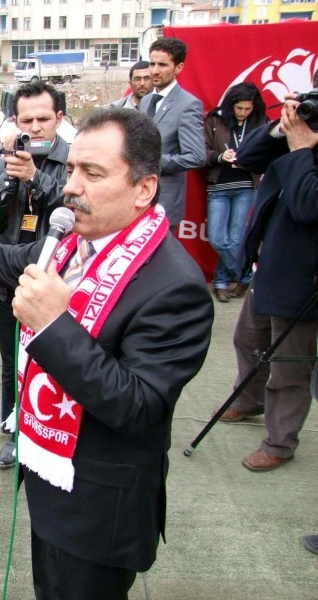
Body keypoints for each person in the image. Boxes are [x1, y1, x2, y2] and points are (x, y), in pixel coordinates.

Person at [0, 107, 214, 598]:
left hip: (99, 514)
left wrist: (54, 325)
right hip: (49, 478)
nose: (71, 186)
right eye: (71, 169)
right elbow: (5, 258)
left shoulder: (176, 287)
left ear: (144, 188)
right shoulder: (75, 241)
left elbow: (138, 406)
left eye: (92, 173)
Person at [219, 92, 318, 477]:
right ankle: (248, 400)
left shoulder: (303, 148)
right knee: (248, 337)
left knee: (290, 363)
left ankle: (280, 441)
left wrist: (299, 150)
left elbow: (308, 204)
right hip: (272, 262)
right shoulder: (301, 133)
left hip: (306, 274)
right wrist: (282, 127)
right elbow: (249, 157)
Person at [0, 80, 69, 469]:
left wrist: (36, 178)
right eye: (27, 119)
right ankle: (15, 428)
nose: (36, 126)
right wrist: (10, 180)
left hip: (56, 285)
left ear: (59, 118)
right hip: (6, 284)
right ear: (15, 120)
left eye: (43, 118)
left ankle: (52, 426)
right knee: (13, 360)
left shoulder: (74, 160)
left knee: (53, 360)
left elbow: (74, 209)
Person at [203, 82, 266, 302]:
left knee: (236, 239)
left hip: (248, 185)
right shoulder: (214, 120)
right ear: (231, 105)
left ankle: (221, 283)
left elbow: (269, 153)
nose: (243, 112)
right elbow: (201, 152)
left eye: (247, 109)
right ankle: (248, 276)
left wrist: (251, 159)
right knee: (219, 239)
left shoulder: (261, 122)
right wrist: (221, 157)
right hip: (219, 184)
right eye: (239, 108)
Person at [140, 37, 206, 228]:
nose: (154, 70)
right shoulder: (146, 101)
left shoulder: (188, 104)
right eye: (152, 64)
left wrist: (157, 163)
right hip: (138, 199)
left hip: (164, 202)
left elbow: (196, 156)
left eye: (162, 64)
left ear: (178, 68)